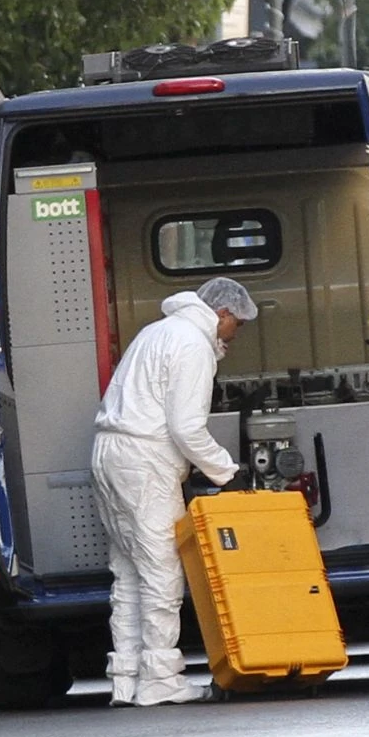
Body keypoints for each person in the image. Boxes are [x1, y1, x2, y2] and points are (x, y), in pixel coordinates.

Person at [90, 277, 257, 706]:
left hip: (109, 453)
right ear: (222, 314)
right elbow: (185, 427)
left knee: (129, 569)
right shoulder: (193, 345)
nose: (236, 334)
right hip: (144, 460)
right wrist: (226, 472)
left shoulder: (156, 331)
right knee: (163, 569)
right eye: (237, 324)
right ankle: (162, 677)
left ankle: (126, 678)